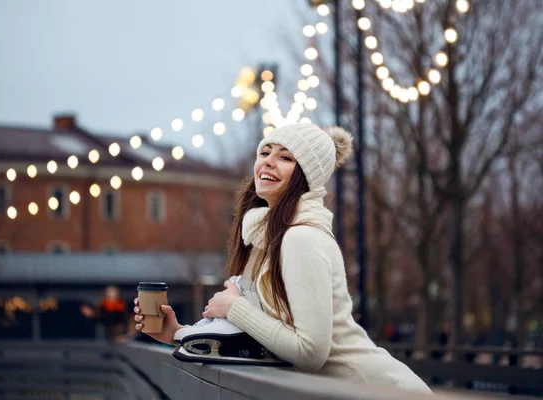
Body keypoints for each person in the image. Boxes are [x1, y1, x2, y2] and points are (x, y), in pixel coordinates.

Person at [133, 123, 431, 393]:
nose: (269, 161)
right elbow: (266, 341)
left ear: (306, 177)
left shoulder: (302, 239)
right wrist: (178, 334)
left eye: (286, 157)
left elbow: (310, 352)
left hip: (379, 390)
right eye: (265, 151)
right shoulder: (266, 238)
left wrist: (235, 307)